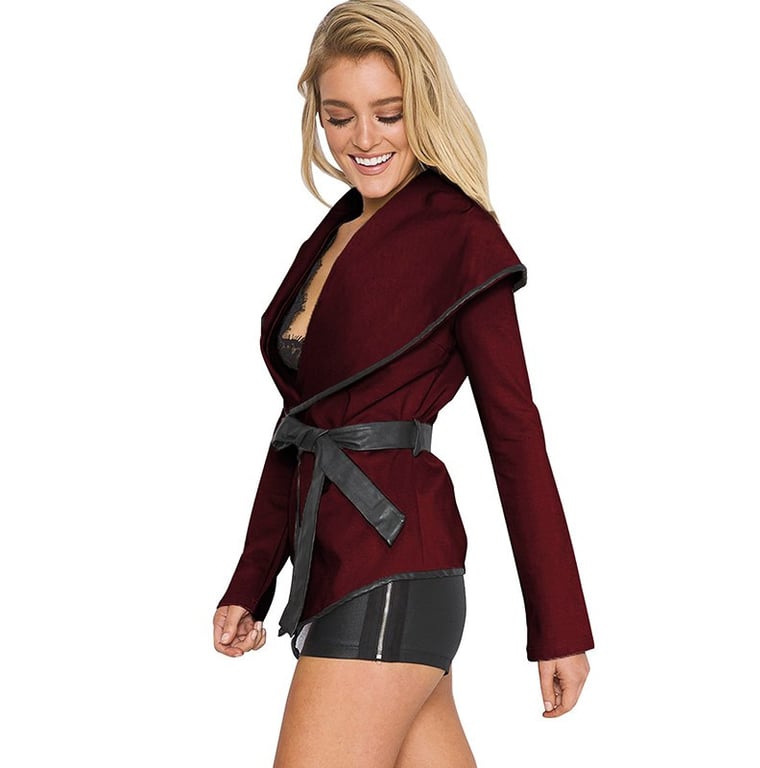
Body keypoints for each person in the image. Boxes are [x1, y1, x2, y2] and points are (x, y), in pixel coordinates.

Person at [212, 1, 594, 764]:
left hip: (392, 562)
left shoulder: (461, 235)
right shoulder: (337, 232)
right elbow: (303, 425)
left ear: (425, 105)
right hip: (341, 568)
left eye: (388, 114)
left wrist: (559, 625)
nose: (364, 139)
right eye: (339, 117)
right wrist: (250, 582)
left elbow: (515, 432)